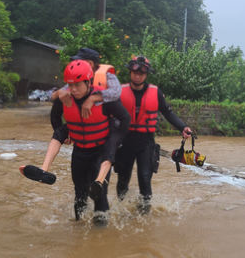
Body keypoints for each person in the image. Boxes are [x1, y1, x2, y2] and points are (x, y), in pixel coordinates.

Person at [22, 60, 130, 225]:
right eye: (70, 85)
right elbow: (55, 117)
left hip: (101, 151)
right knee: (79, 193)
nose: (72, 89)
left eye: (77, 85)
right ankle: (79, 225)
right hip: (80, 152)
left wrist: (116, 141)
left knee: (98, 194)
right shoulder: (64, 98)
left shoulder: (103, 99)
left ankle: (100, 235)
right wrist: (65, 135)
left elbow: (125, 118)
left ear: (87, 82)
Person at [115, 55, 192, 214]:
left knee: (145, 178)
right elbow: (106, 112)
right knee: (123, 179)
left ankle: (145, 214)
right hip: (124, 142)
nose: (138, 75)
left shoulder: (155, 93)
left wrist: (183, 127)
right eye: (135, 72)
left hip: (146, 143)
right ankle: (121, 209)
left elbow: (168, 113)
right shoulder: (119, 91)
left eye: (142, 73)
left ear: (146, 74)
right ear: (130, 72)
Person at [49, 47, 121, 185]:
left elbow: (116, 93)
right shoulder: (77, 79)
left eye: (79, 61)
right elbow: (57, 95)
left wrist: (93, 98)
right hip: (83, 135)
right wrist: (58, 94)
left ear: (90, 63)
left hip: (106, 132)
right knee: (80, 190)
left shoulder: (107, 77)